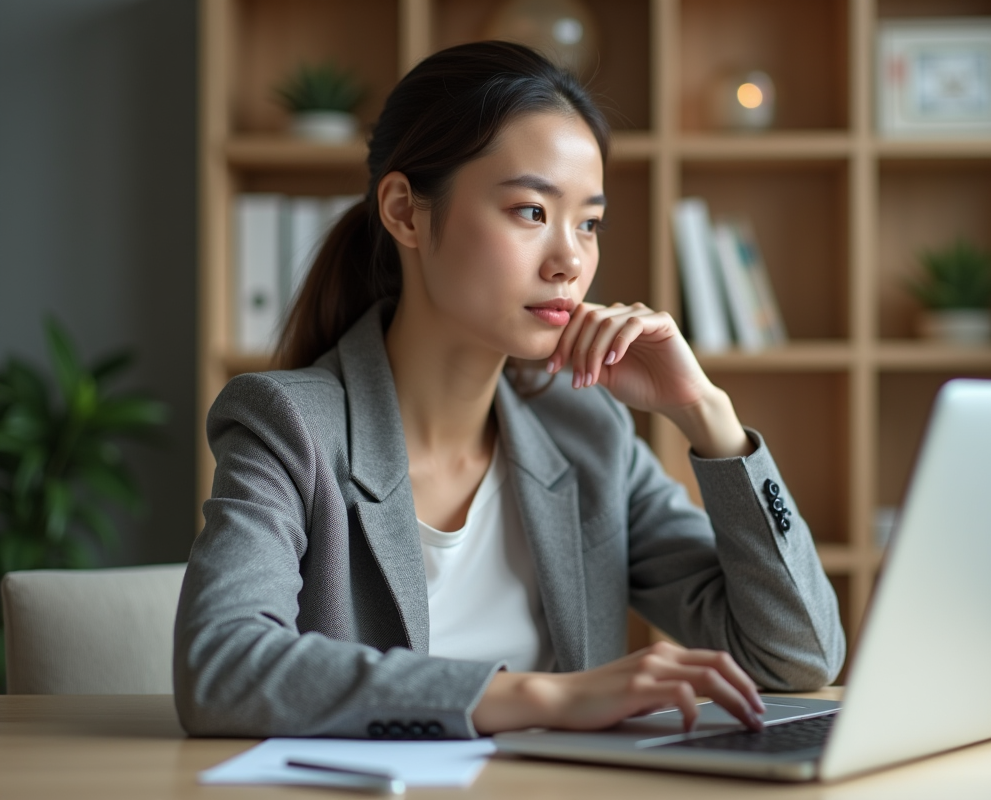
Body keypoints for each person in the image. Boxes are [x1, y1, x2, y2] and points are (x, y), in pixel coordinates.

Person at [174, 41, 845, 740]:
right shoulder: (290, 425)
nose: (570, 260)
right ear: (405, 211)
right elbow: (221, 669)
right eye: (531, 211)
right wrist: (545, 699)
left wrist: (708, 417)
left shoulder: (584, 432)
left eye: (589, 223)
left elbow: (798, 655)